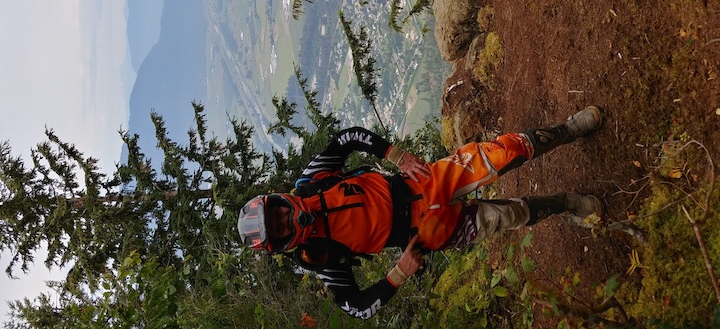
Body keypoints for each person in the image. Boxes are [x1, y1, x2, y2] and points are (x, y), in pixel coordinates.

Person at [238, 107, 605, 319]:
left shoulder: (311, 180)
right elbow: (357, 307)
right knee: (508, 216)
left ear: (277, 198)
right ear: (281, 245)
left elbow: (347, 138)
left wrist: (396, 156)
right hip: (425, 235)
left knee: (499, 153)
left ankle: (568, 130)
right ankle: (568, 203)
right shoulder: (317, 256)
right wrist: (398, 274)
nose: (287, 220)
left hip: (421, 182)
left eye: (278, 213)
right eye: (280, 229)